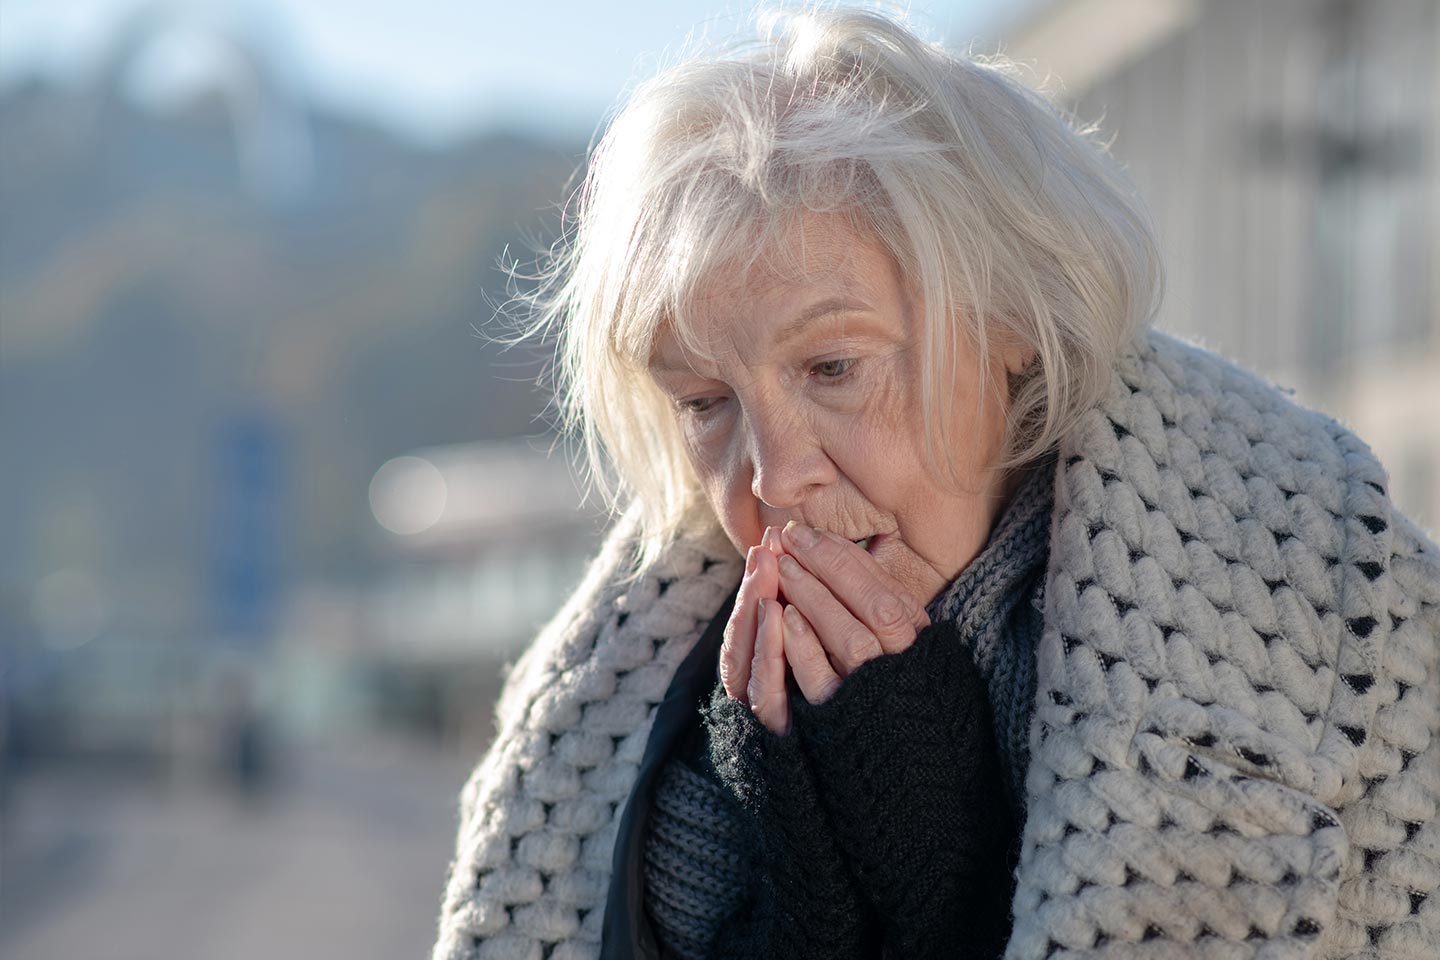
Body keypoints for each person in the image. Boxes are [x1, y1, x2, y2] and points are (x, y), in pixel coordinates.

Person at [432, 8, 1440, 959]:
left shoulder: (1345, 617)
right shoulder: (594, 723)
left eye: (834, 368)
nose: (775, 479)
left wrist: (952, 863)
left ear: (1013, 322)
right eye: (705, 402)